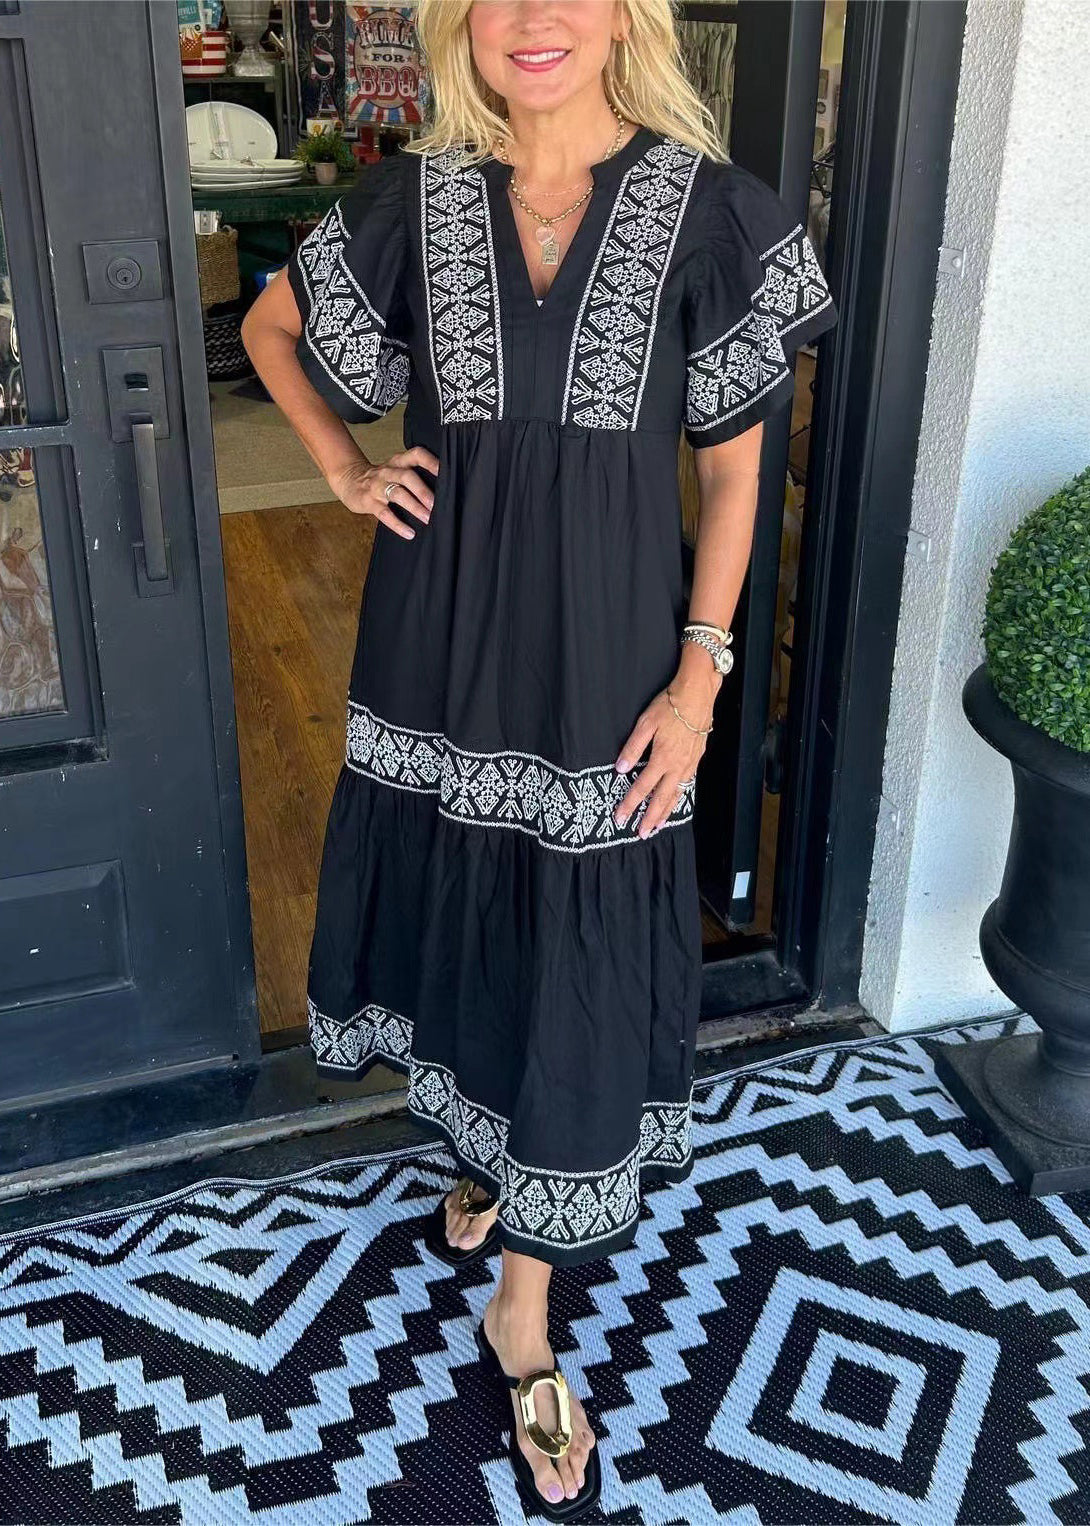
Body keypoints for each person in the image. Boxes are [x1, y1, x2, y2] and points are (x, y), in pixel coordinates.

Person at [241, 1, 836, 1516]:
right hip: (436, 644)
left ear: (627, 14)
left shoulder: (714, 215)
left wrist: (699, 679)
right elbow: (269, 327)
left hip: (606, 663)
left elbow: (733, 476)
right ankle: (484, 1147)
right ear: (461, 23)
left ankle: (527, 1303)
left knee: (571, 932)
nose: (534, 19)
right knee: (459, 896)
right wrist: (342, 466)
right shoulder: (416, 198)